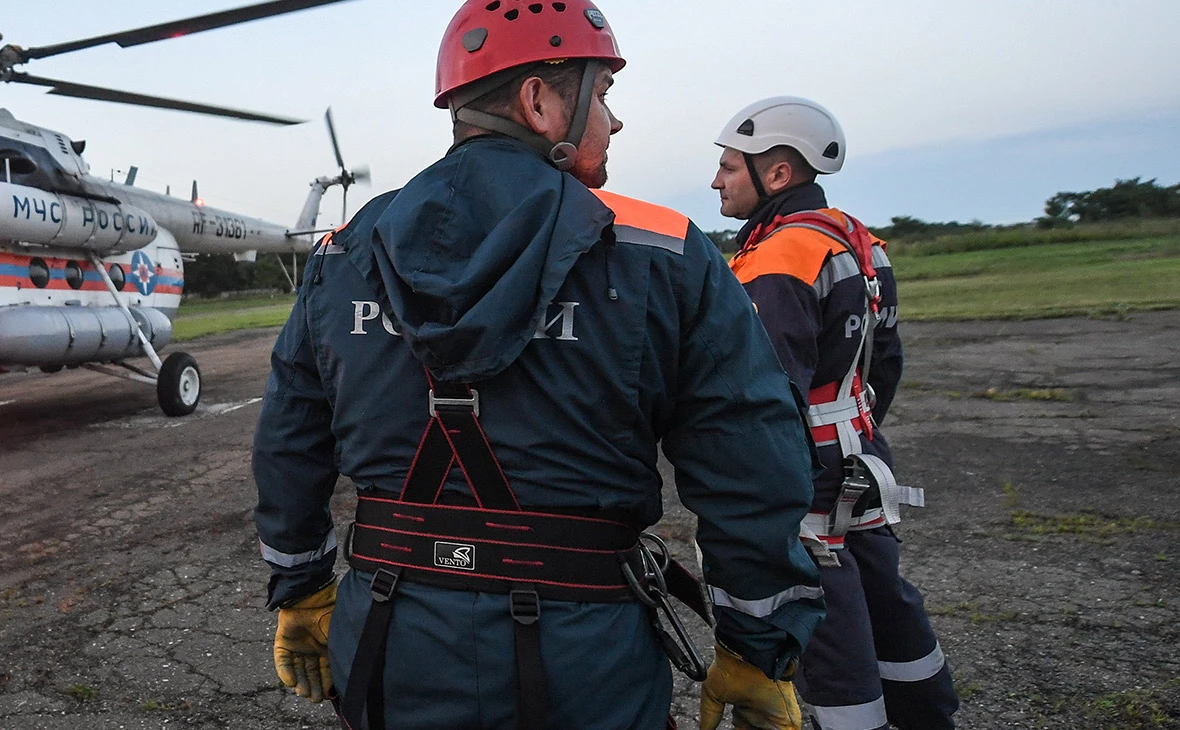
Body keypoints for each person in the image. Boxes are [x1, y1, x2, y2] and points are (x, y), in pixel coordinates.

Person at [253, 3, 825, 729]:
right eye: (605, 96)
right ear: (540, 101)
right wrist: (755, 646)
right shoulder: (663, 253)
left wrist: (302, 588)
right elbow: (751, 462)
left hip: (390, 645)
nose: (614, 122)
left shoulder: (341, 254)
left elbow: (288, 442)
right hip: (584, 660)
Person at [711, 97, 959, 730]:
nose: (717, 180)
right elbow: (887, 365)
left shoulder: (778, 258)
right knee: (890, 606)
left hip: (809, 479)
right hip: (863, 463)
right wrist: (851, 428)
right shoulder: (860, 243)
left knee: (831, 629)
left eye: (729, 166)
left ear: (777, 175)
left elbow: (763, 398)